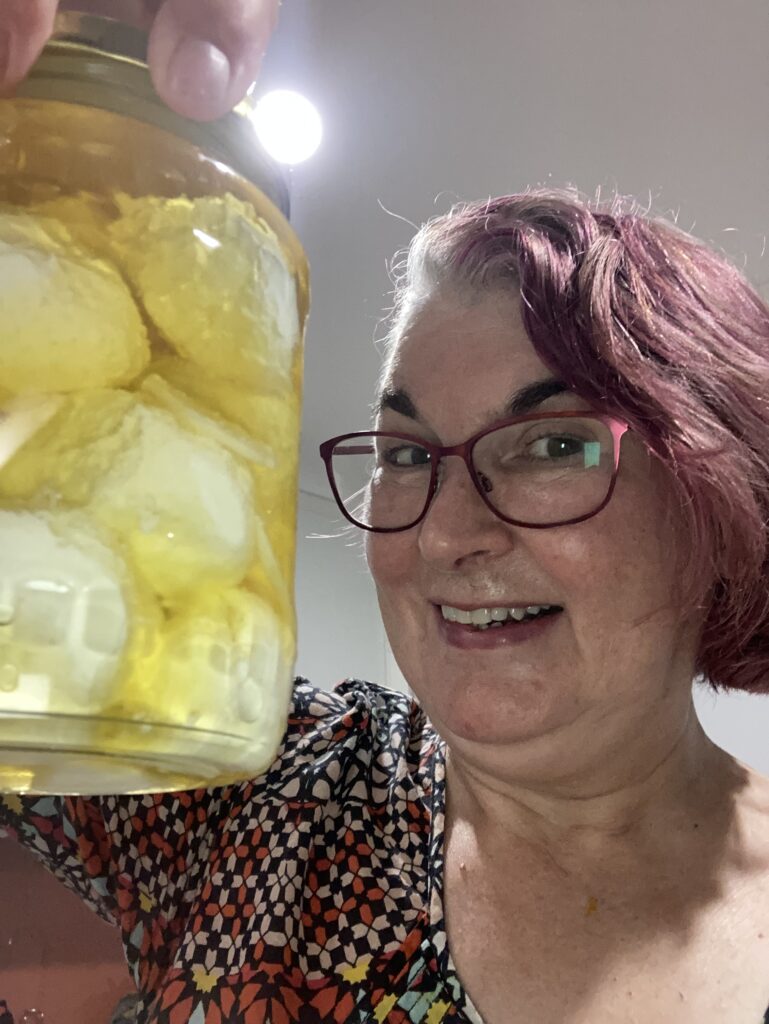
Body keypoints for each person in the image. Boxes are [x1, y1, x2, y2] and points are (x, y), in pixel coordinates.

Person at [2, 6, 769, 1024]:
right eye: (408, 454)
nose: (445, 533)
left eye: (549, 444)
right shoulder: (265, 785)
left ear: (714, 495)